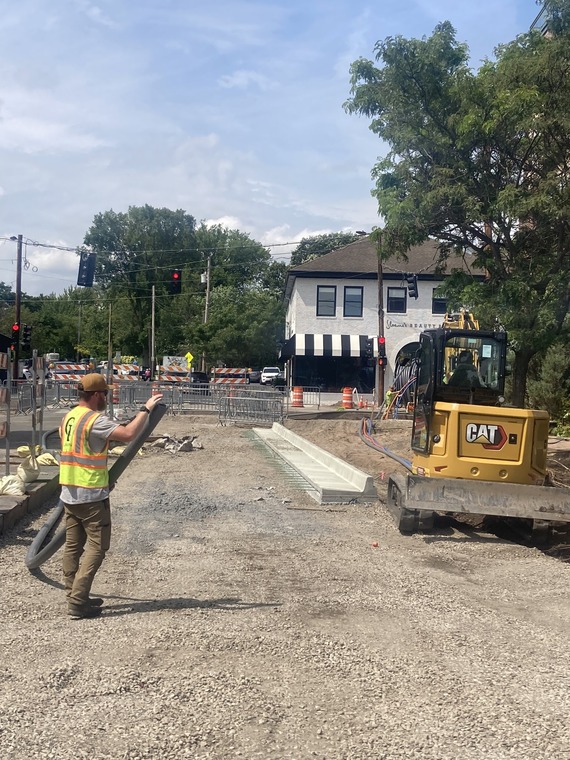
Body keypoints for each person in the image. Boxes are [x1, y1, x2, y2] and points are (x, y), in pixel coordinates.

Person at [59, 373, 163, 619]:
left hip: (69, 492)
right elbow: (128, 434)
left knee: (73, 546)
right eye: (104, 393)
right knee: (97, 547)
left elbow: (78, 446)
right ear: (95, 395)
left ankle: (73, 594)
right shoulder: (94, 419)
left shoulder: (69, 417)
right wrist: (145, 409)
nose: (106, 396)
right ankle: (78, 600)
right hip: (91, 495)